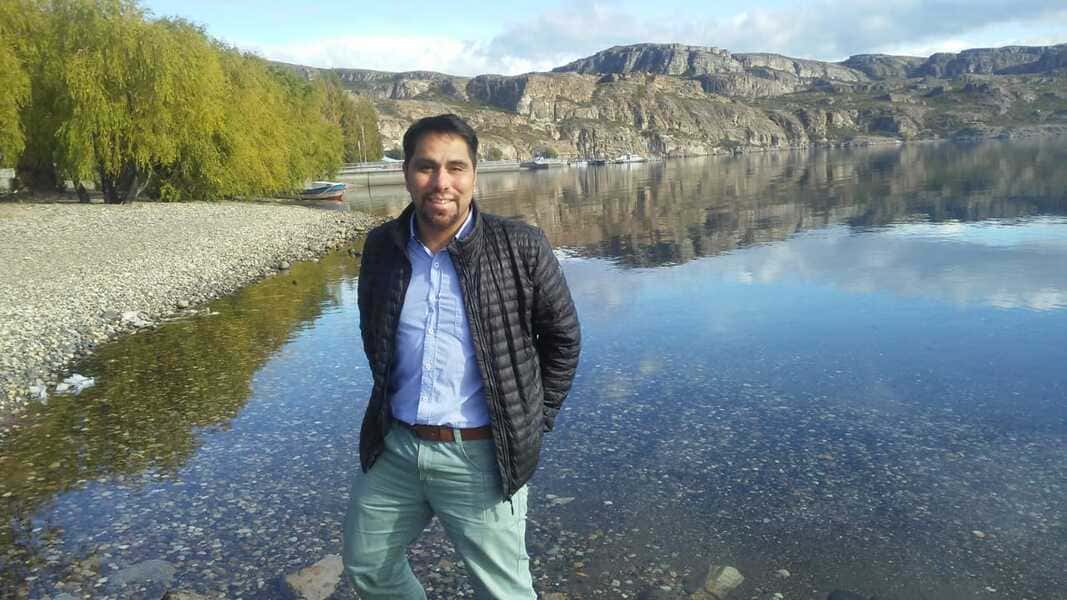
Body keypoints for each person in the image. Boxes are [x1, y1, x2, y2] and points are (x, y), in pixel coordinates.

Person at [343, 113, 581, 599]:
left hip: (481, 454)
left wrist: (533, 419)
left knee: (503, 592)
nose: (441, 183)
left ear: (474, 173)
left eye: (456, 167)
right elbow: (375, 333)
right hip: (398, 447)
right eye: (426, 167)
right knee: (367, 565)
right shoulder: (382, 247)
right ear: (406, 172)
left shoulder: (520, 247)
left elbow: (563, 341)